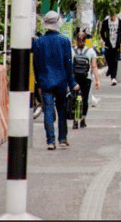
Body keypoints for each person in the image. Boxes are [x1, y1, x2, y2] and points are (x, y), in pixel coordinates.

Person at [32, 11, 80, 149]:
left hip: (45, 80)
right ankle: (63, 139)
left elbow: (36, 64)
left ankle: (50, 141)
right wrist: (72, 82)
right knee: (61, 109)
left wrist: (38, 82)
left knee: (48, 110)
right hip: (61, 81)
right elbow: (68, 64)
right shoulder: (65, 41)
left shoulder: (39, 42)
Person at [71, 31, 100, 128]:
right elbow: (94, 66)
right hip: (86, 78)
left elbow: (68, 65)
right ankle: (83, 119)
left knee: (74, 98)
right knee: (85, 99)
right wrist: (97, 80)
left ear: (76, 40)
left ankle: (75, 120)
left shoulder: (71, 51)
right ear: (85, 40)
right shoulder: (91, 51)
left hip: (74, 78)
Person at [100, 13, 121, 86]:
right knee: (108, 59)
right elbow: (102, 32)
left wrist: (120, 42)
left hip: (116, 44)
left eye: (113, 15)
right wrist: (105, 40)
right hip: (108, 44)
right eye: (111, 15)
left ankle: (113, 77)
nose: (112, 16)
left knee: (115, 60)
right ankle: (110, 69)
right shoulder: (105, 22)